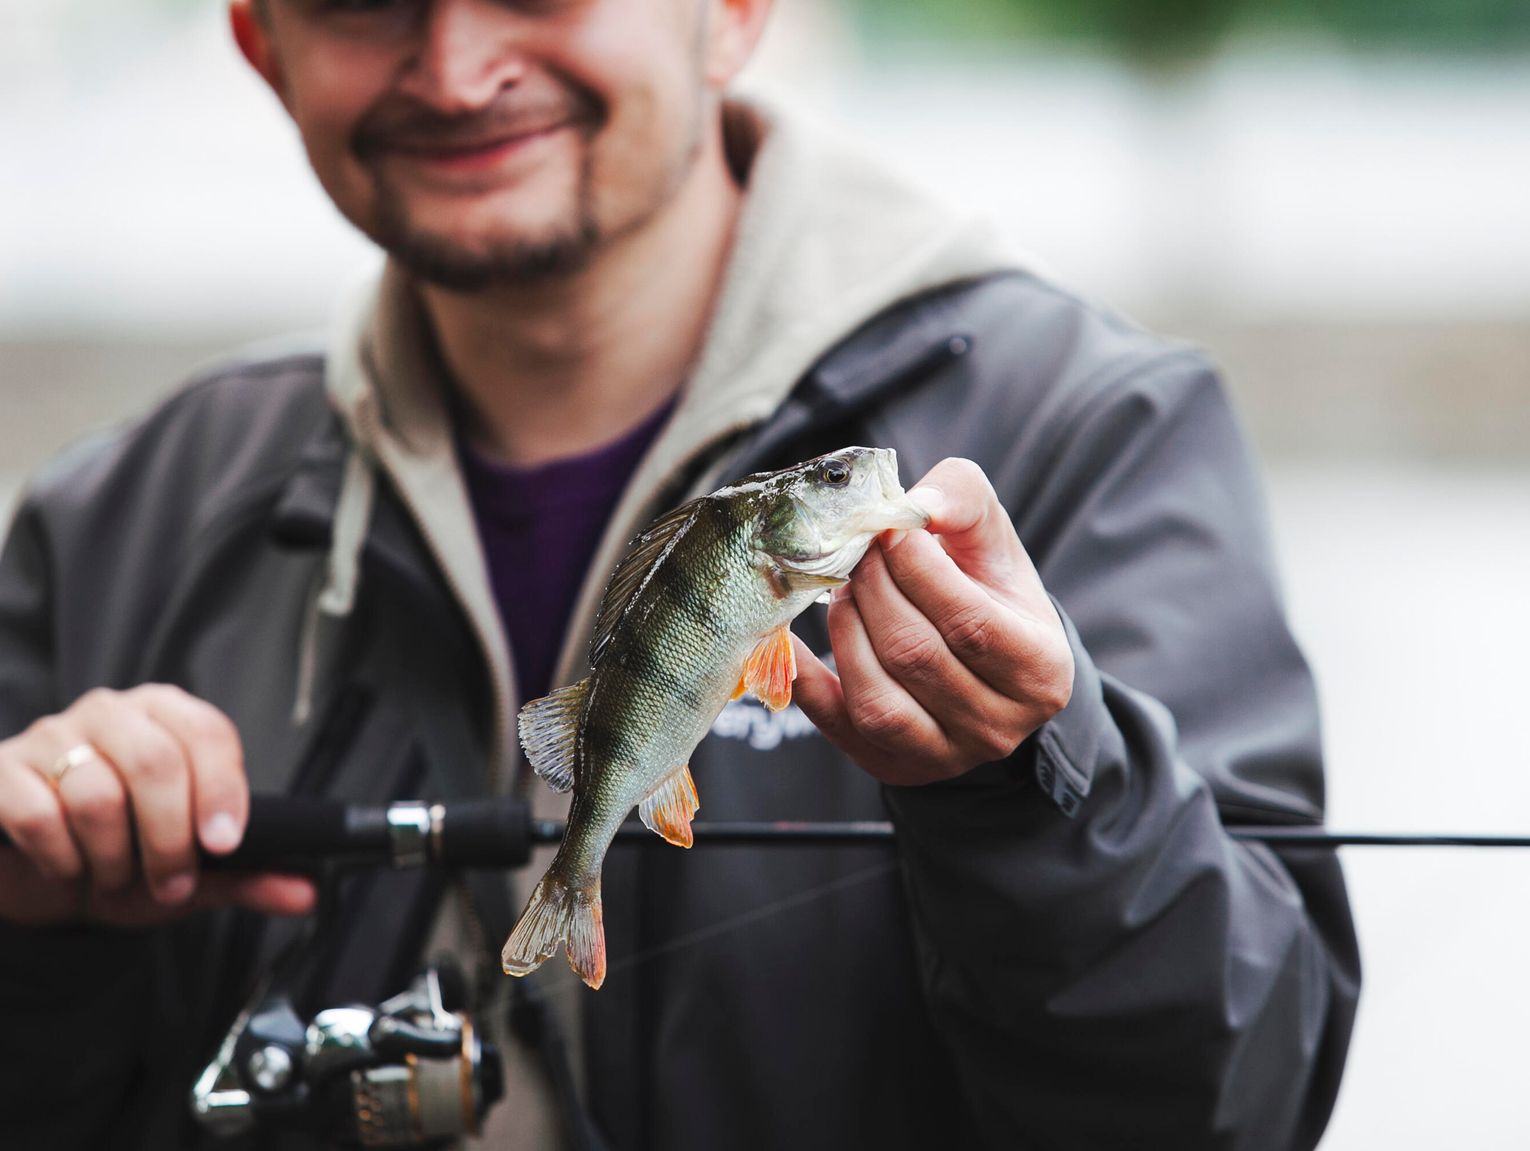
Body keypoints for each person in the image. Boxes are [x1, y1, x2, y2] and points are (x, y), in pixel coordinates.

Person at [0, 1, 1360, 1148]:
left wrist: (1036, 787)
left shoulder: (1088, 436)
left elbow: (1235, 1102)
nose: (459, 68)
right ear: (259, 41)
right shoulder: (115, 526)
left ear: (735, 9)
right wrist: (37, 931)